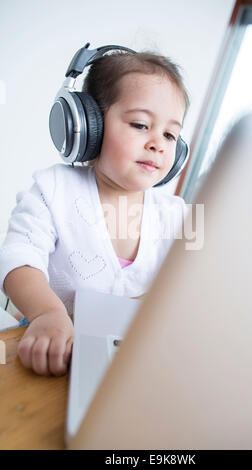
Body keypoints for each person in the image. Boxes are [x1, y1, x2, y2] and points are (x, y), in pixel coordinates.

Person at [0, 50, 190, 377]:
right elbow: (18, 258)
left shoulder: (176, 215)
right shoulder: (53, 189)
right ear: (91, 126)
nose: (158, 143)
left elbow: (197, 281)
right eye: (141, 124)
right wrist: (47, 313)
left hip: (127, 363)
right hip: (53, 349)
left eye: (170, 134)